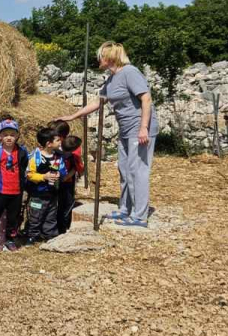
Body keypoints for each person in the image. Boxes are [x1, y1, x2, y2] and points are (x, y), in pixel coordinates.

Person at [58, 42, 158, 227]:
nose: (98, 60)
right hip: (126, 129)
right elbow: (98, 102)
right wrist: (73, 115)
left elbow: (146, 98)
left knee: (138, 170)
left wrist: (144, 127)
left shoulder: (130, 72)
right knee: (124, 168)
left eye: (100, 56)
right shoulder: (111, 79)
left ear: (110, 57)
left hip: (139, 128)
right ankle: (125, 209)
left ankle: (140, 215)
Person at [0, 120, 28, 252]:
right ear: (0, 136)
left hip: (16, 191)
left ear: (17, 136)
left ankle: (10, 239)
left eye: (12, 134)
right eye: (6, 134)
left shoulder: (22, 152)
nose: (9, 137)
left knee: (13, 217)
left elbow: (24, 167)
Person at [24, 127, 67, 244]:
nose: (60, 142)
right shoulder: (35, 157)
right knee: (35, 215)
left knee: (51, 214)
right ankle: (32, 235)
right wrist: (44, 177)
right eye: (57, 140)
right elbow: (29, 174)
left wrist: (60, 174)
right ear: (49, 143)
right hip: (38, 193)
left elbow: (63, 170)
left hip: (52, 193)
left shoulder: (58, 156)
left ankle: (50, 234)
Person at [58, 132, 84, 234]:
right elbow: (80, 170)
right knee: (67, 205)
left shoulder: (56, 153)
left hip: (59, 182)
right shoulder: (74, 156)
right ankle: (64, 227)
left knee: (59, 205)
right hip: (67, 183)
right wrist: (67, 177)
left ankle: (60, 227)